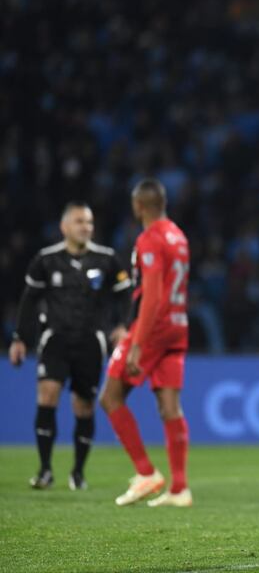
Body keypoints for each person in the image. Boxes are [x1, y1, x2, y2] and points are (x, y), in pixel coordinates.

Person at [8, 202, 130, 491]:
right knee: (47, 395)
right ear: (64, 227)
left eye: (88, 222)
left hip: (91, 341)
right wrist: (20, 338)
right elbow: (29, 300)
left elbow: (125, 295)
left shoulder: (107, 259)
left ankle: (78, 472)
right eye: (79, 221)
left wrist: (123, 326)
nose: (85, 227)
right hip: (56, 339)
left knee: (83, 406)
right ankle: (45, 470)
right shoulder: (46, 260)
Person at [98, 179, 192, 507]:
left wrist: (136, 343)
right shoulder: (178, 235)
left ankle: (145, 472)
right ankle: (179, 488)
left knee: (110, 397)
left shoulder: (150, 238)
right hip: (178, 325)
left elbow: (152, 294)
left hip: (154, 328)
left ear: (138, 206)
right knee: (170, 407)